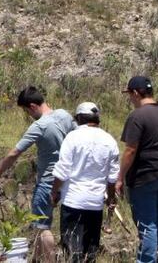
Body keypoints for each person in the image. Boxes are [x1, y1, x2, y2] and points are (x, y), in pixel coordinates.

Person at [0, 87, 75, 263]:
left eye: (27, 110)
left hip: (47, 182)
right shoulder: (65, 115)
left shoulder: (39, 126)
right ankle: (36, 259)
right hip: (68, 180)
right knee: (41, 227)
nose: (28, 114)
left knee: (43, 227)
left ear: (33, 106)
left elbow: (15, 153)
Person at [116, 76, 158, 263]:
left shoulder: (137, 116)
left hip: (146, 175)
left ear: (136, 93)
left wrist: (121, 177)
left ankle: (146, 260)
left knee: (147, 224)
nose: (130, 99)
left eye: (129, 94)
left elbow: (130, 150)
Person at [51, 102, 119, 263]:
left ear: (79, 118)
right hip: (95, 204)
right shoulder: (109, 140)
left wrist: (54, 192)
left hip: (73, 202)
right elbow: (112, 177)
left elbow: (62, 170)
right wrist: (110, 198)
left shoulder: (73, 137)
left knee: (72, 251)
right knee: (90, 253)